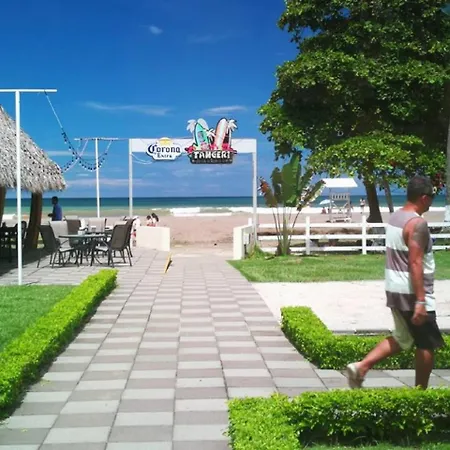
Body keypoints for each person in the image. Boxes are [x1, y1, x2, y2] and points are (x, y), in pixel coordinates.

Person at [346, 175, 443, 390]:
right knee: (426, 343)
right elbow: (415, 263)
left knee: (403, 337)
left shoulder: (396, 217)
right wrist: (421, 301)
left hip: (394, 288)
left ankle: (361, 367)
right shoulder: (417, 224)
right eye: (432, 197)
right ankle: (420, 394)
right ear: (424, 197)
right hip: (412, 293)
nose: (432, 201)